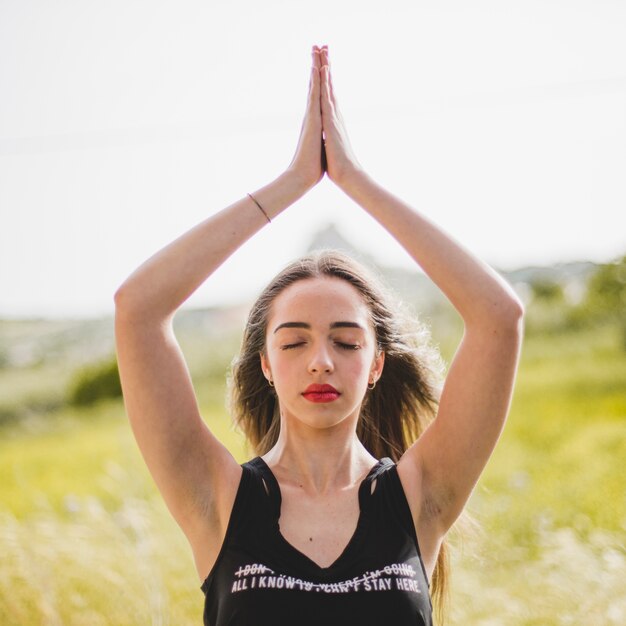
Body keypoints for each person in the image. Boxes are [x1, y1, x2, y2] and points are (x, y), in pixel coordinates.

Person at [114, 44, 524, 626]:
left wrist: (353, 181)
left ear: (377, 363)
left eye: (347, 341)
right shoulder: (219, 500)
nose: (321, 362)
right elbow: (137, 308)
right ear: (264, 363)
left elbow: (499, 316)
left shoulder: (419, 496)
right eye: (294, 341)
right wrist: (292, 183)